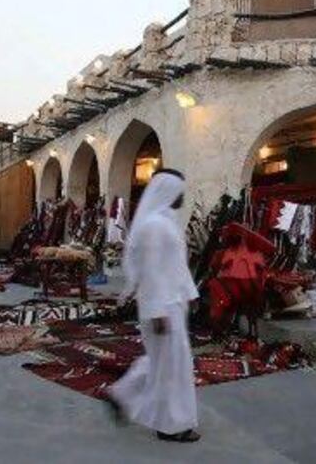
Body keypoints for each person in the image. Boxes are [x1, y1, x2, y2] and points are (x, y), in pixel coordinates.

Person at [107, 169, 201, 443]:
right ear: (167, 190)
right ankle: (171, 426)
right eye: (179, 190)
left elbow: (176, 265)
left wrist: (190, 294)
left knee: (166, 363)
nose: (183, 196)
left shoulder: (167, 222)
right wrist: (156, 312)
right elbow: (151, 272)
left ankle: (122, 394)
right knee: (170, 366)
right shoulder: (153, 226)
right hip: (161, 306)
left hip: (172, 303)